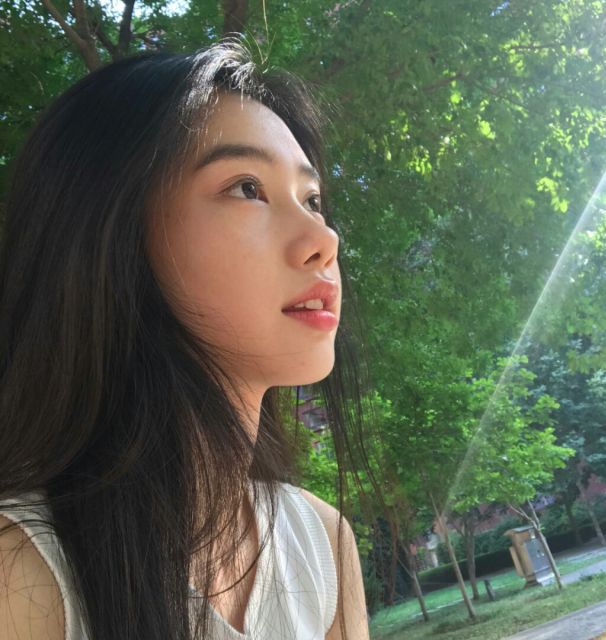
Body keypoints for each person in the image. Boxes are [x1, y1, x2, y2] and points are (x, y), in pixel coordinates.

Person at [0, 41, 369, 640]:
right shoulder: (23, 579)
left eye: (312, 200)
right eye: (247, 187)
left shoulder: (323, 547)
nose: (323, 240)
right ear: (112, 237)